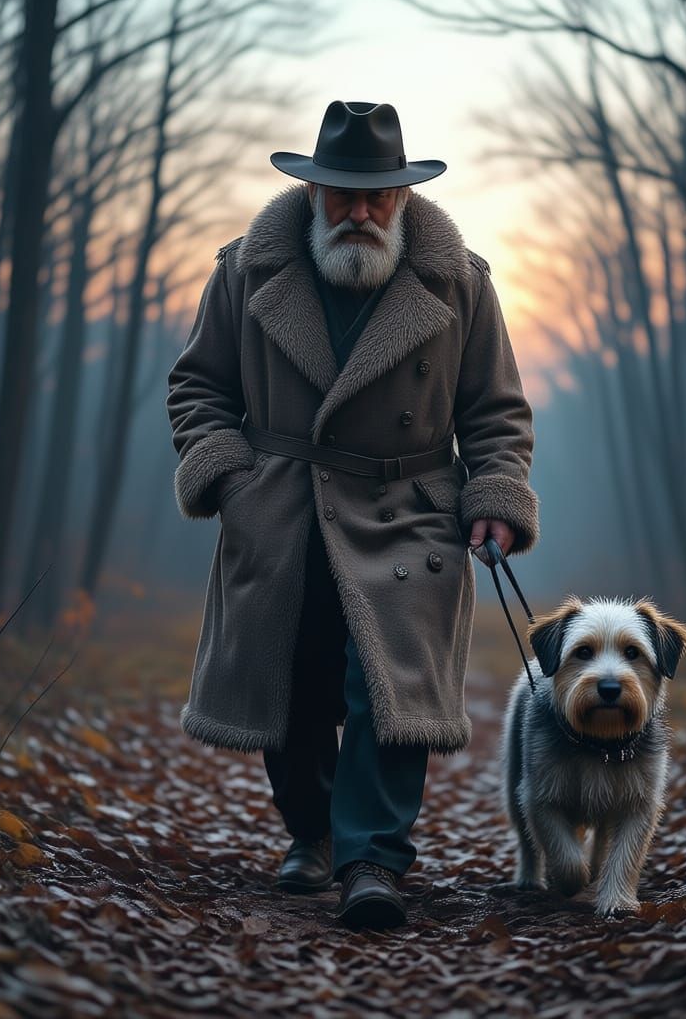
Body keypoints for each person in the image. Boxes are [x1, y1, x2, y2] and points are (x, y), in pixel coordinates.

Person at [166, 100, 539, 929]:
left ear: (404, 198)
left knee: (388, 689)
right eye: (343, 196)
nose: (361, 213)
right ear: (312, 193)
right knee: (290, 681)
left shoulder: (461, 280)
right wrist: (228, 475)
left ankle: (372, 857)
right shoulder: (244, 270)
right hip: (283, 507)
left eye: (378, 198)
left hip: (408, 511)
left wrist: (496, 497)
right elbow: (197, 387)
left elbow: (496, 414)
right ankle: (311, 835)